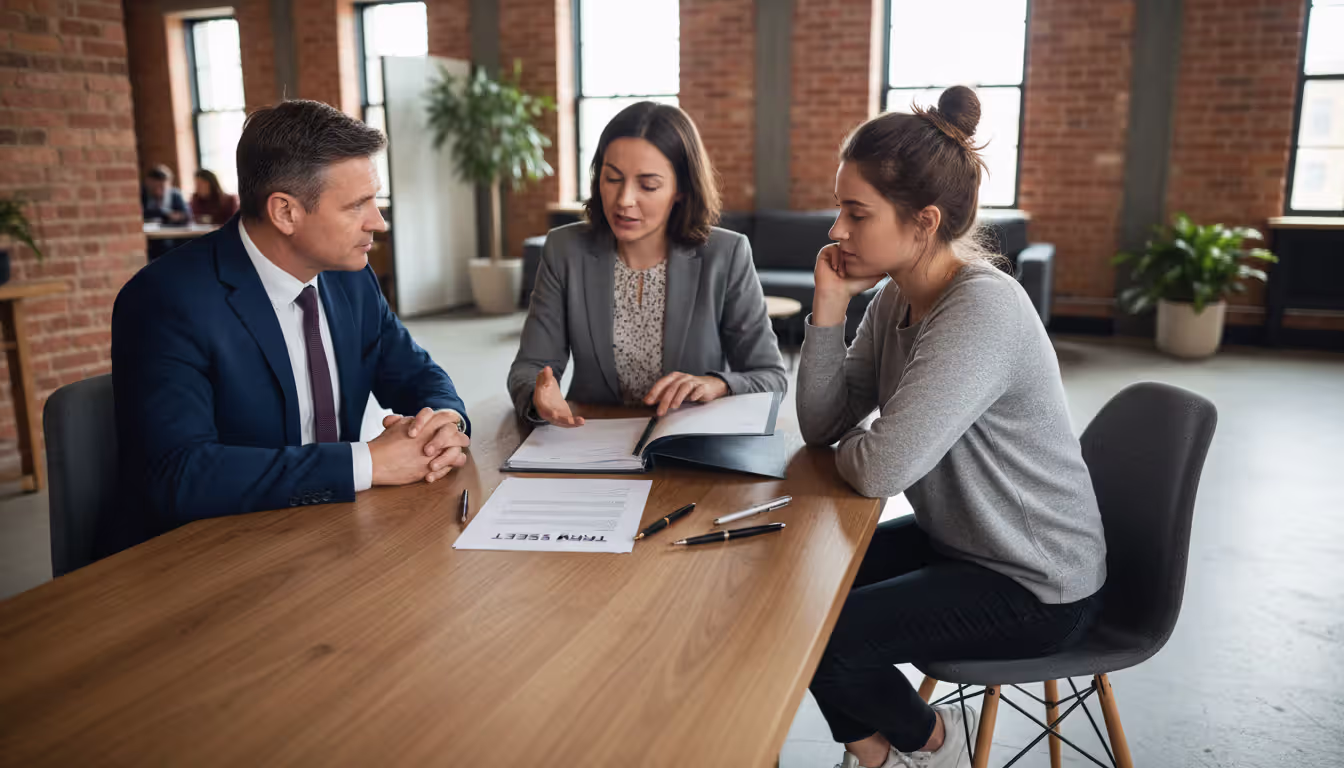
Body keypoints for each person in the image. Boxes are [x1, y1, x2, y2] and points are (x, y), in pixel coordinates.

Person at [796, 86, 1107, 768]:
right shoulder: (893, 300)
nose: (836, 231)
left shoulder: (980, 311)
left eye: (856, 213)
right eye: (839, 209)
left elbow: (880, 468)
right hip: (966, 545)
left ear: (923, 221)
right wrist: (828, 308)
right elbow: (823, 426)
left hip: (1036, 580)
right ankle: (894, 753)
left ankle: (930, 747)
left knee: (830, 633)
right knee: (801, 593)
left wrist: (869, 446)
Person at [110, 100, 470, 556]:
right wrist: (369, 462)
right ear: (285, 212)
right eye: (358, 205)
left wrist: (444, 424)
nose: (378, 221)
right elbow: (180, 475)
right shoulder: (166, 300)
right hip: (206, 556)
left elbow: (417, 374)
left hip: (327, 538)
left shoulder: (351, 278)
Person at [508, 102, 785, 425]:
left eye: (648, 185)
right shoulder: (564, 249)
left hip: (687, 446)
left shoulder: (727, 254)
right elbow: (529, 368)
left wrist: (719, 384)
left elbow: (772, 379)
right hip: (593, 438)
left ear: (681, 189)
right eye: (612, 179)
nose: (624, 199)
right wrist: (537, 395)